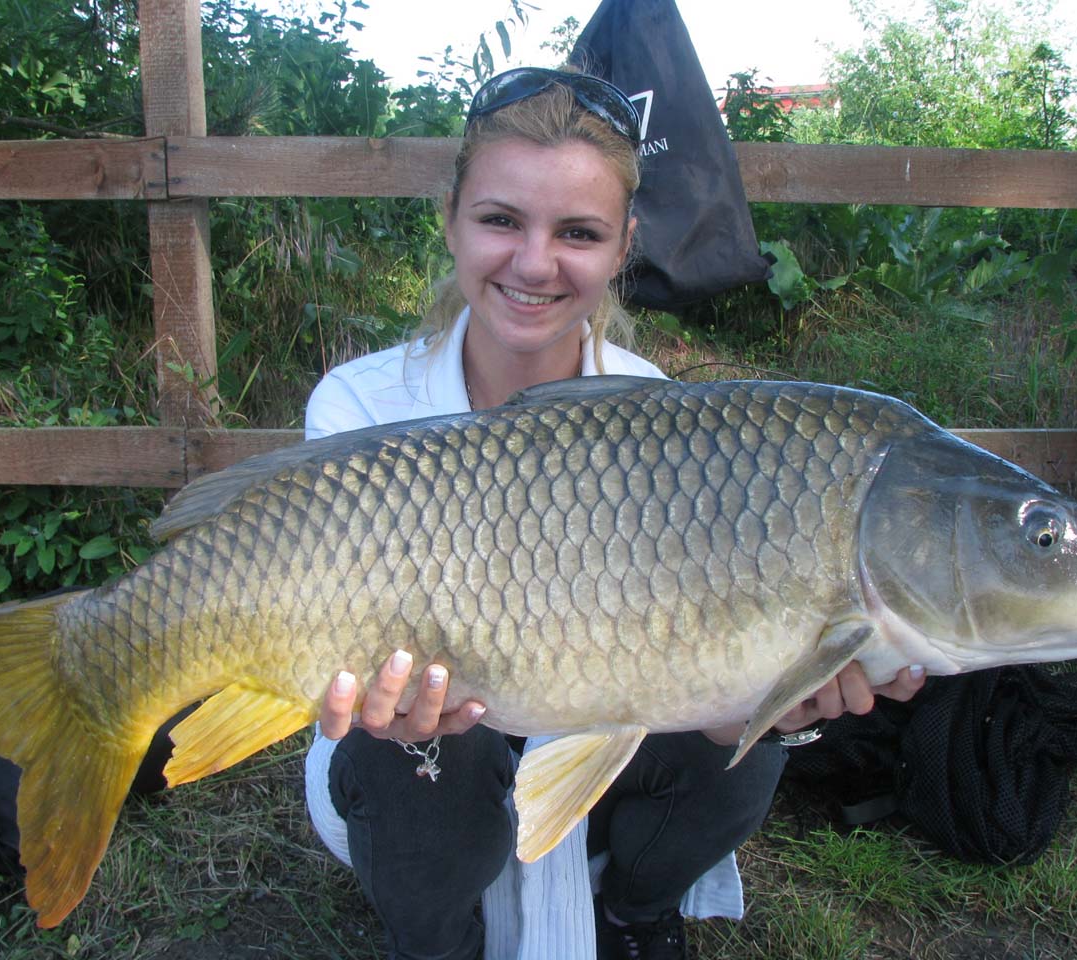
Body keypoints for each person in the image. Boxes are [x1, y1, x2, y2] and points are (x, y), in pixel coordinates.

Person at [301, 67, 925, 960]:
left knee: (750, 750)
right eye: (501, 220)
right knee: (432, 740)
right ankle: (435, 941)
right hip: (426, 746)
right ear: (451, 220)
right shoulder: (360, 406)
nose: (534, 263)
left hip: (598, 724)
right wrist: (374, 698)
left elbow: (694, 672)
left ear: (624, 245)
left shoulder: (661, 413)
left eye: (579, 233)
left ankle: (635, 909)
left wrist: (774, 701)